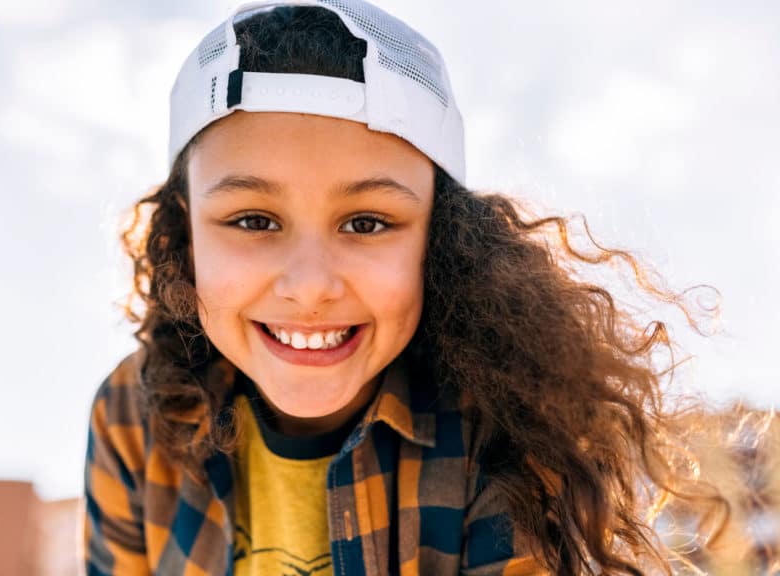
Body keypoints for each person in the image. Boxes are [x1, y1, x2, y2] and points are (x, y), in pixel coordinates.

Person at [83, 1, 722, 574]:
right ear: (184, 232)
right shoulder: (131, 417)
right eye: (253, 220)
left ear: (442, 241)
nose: (310, 288)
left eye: (367, 223)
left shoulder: (511, 436)